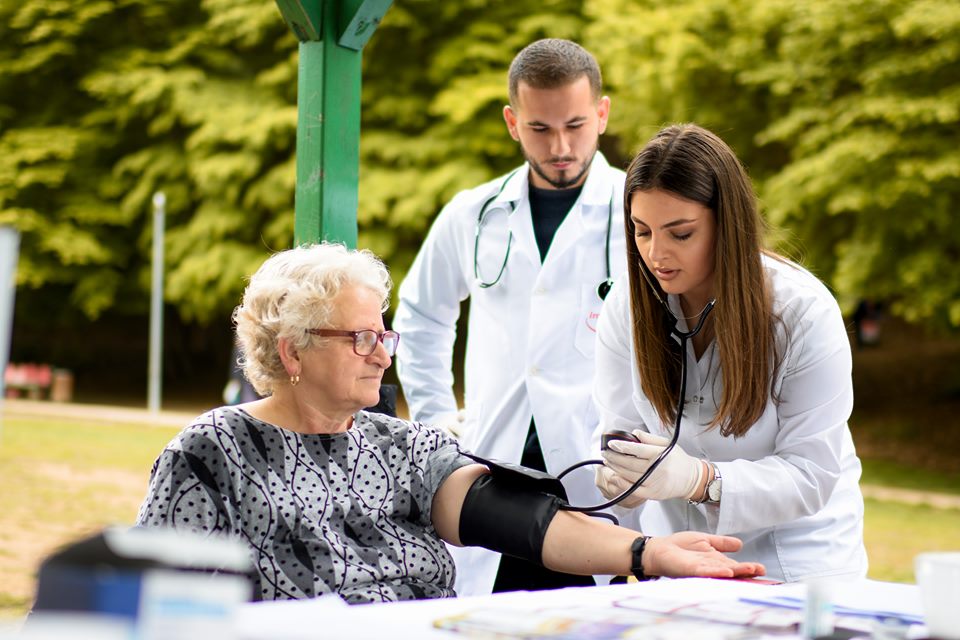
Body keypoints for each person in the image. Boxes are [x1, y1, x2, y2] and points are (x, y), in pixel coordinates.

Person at [136, 243, 764, 604]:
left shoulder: (398, 445)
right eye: (361, 338)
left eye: (384, 334)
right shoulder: (213, 451)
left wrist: (650, 552)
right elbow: (139, 596)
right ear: (293, 350)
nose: (383, 353)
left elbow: (520, 522)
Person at [394, 38, 627, 596]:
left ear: (602, 112)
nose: (561, 146)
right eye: (540, 129)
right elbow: (420, 316)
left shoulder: (638, 210)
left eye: (575, 124)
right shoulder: (472, 212)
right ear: (512, 122)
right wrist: (434, 417)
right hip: (492, 473)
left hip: (598, 473)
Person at [592, 124, 868, 583]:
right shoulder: (627, 306)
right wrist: (623, 480)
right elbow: (620, 430)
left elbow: (812, 474)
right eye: (642, 232)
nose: (656, 254)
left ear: (728, 225)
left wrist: (701, 480)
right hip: (682, 558)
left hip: (797, 558)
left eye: (680, 234)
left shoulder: (802, 313)